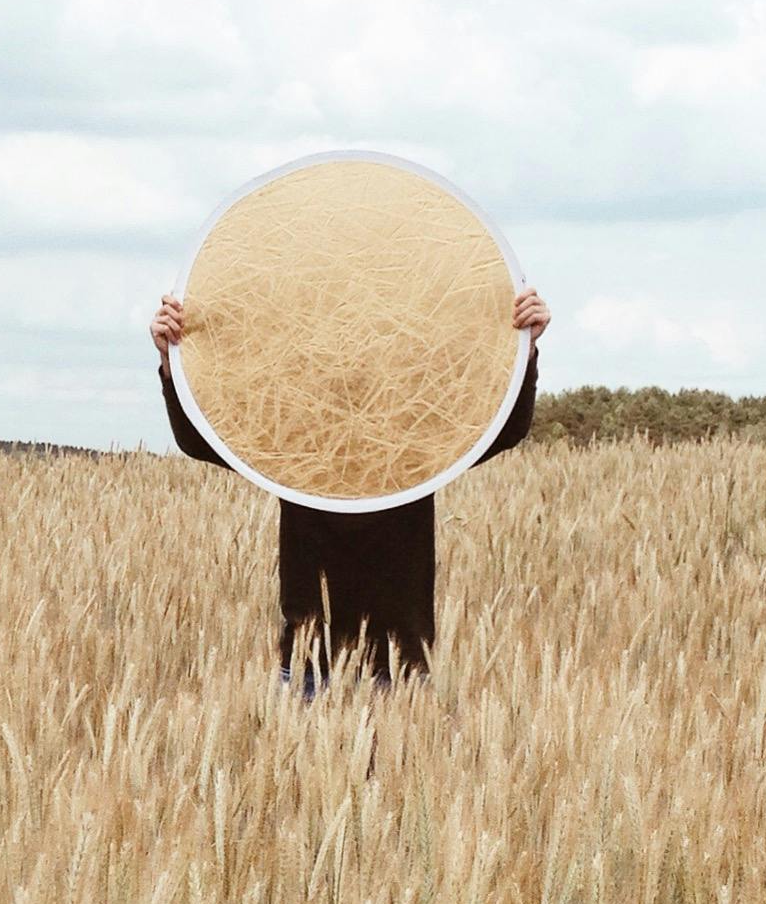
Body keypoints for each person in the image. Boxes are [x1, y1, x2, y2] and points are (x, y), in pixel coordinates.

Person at [152, 286, 551, 698]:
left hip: (399, 670)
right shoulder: (295, 442)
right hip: (312, 667)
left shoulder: (416, 444)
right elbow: (202, 440)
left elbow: (502, 429)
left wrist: (525, 349)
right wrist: (172, 363)